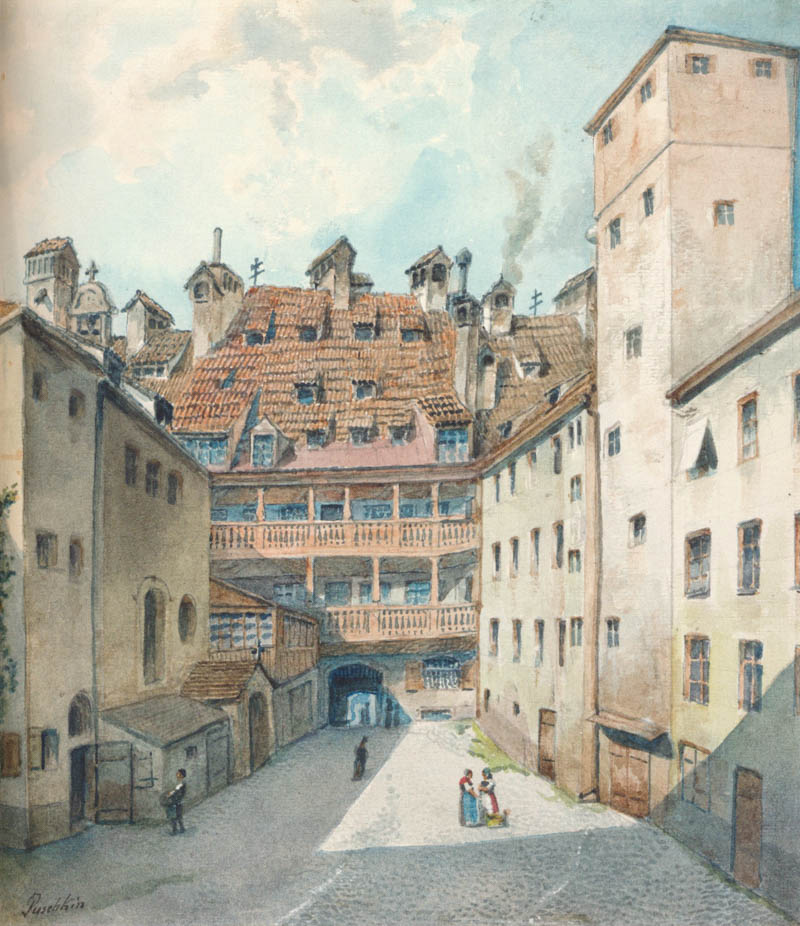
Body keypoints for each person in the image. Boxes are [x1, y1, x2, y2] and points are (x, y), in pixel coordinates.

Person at [166, 768, 187, 835]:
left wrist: (169, 794)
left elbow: (176, 790)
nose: (176, 774)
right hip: (178, 801)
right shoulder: (180, 782)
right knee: (178, 816)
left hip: (176, 801)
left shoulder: (181, 782)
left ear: (181, 775)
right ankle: (181, 828)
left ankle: (175, 830)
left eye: (178, 773)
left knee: (173, 816)